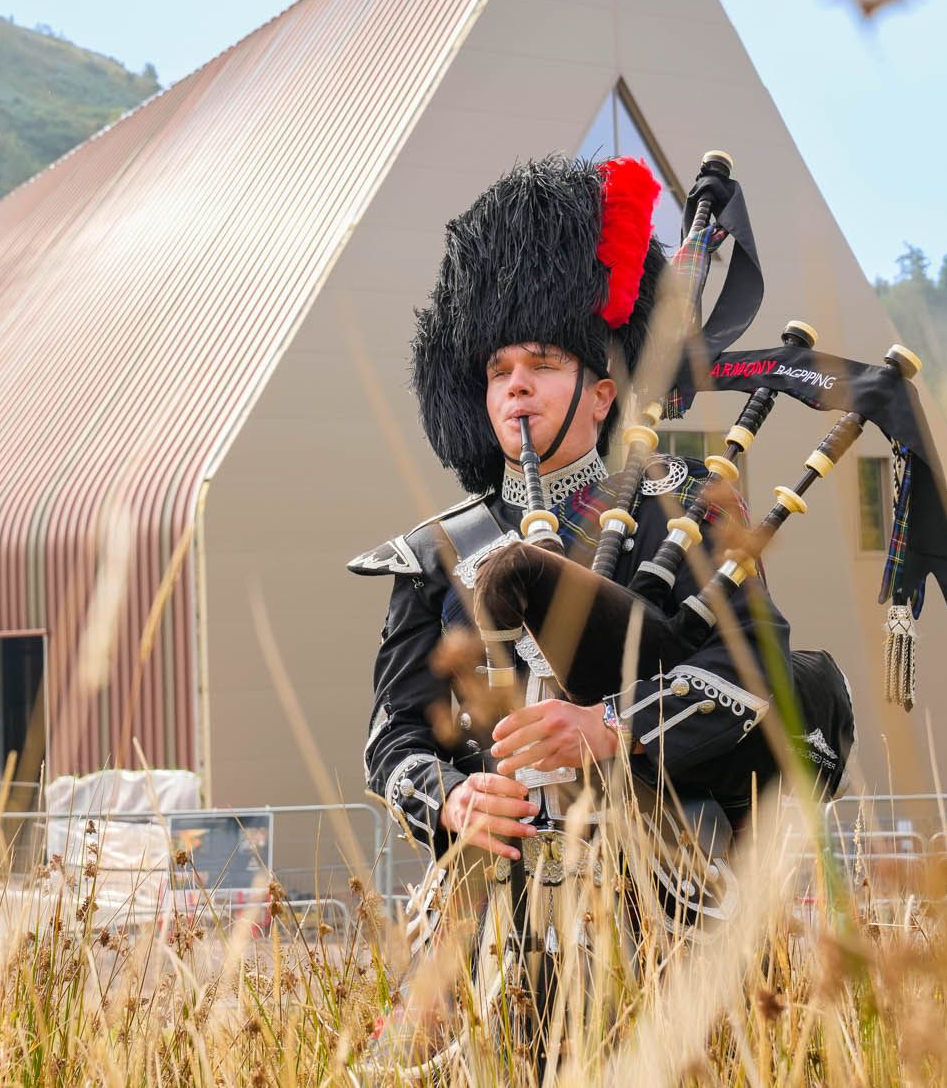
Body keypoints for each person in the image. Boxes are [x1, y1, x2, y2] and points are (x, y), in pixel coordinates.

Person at [350, 152, 855, 883]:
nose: (516, 386)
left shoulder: (683, 505)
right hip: (498, 897)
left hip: (670, 883)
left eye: (544, 362)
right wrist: (454, 797)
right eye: (498, 371)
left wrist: (611, 728)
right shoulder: (433, 556)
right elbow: (390, 738)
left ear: (600, 394)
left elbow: (756, 661)